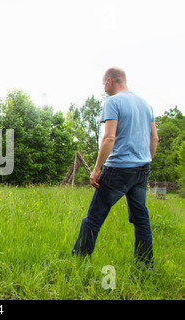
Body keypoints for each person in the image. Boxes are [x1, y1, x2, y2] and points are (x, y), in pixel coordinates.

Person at [72, 67, 159, 267]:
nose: (104, 88)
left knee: (94, 217)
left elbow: (109, 137)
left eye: (103, 84)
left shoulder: (113, 102)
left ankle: (80, 260)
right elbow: (154, 138)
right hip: (141, 168)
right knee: (141, 219)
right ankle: (145, 265)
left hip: (118, 169)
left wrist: (96, 169)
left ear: (110, 81)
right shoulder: (146, 104)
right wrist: (146, 161)